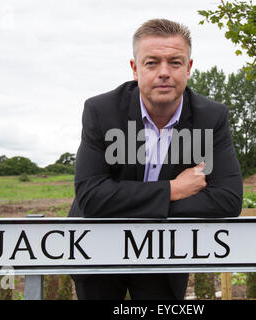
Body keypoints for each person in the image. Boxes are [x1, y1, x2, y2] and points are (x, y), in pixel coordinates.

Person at [68, 18, 243, 300]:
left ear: (188, 68)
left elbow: (228, 199)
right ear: (135, 69)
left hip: (164, 252)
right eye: (152, 63)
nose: (164, 72)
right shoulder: (101, 110)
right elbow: (91, 196)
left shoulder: (211, 118)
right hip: (97, 247)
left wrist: (128, 205)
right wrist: (172, 190)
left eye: (175, 62)